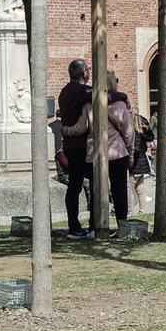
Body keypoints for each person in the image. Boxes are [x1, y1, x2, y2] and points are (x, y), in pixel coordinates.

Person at [69, 70, 133, 235]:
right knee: (120, 192)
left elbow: (81, 128)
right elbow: (128, 132)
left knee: (96, 192)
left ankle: (95, 227)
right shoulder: (121, 105)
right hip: (118, 153)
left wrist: (65, 130)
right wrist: (130, 153)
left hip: (94, 155)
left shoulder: (89, 104)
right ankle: (122, 226)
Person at [57, 59, 96, 238]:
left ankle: (74, 226)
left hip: (69, 146)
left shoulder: (64, 91)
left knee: (73, 187)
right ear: (84, 73)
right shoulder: (82, 91)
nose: (89, 73)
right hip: (83, 145)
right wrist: (121, 96)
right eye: (87, 70)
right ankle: (95, 224)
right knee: (95, 185)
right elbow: (103, 97)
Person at [129, 113, 154, 215]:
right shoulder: (143, 133)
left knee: (130, 189)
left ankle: (130, 211)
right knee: (141, 189)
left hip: (135, 165)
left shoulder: (135, 134)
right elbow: (150, 137)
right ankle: (142, 210)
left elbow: (136, 149)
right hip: (142, 163)